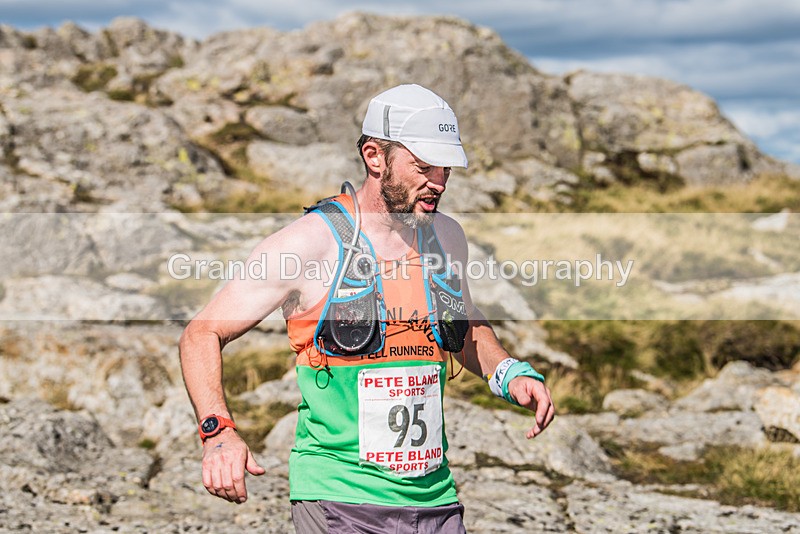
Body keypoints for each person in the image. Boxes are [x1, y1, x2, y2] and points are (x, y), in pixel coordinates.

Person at [179, 84, 555, 533]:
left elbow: (465, 326)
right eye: (423, 165)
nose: (439, 181)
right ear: (374, 157)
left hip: (436, 498)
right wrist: (218, 433)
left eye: (446, 167)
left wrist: (507, 371)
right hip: (339, 499)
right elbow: (201, 334)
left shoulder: (447, 237)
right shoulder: (309, 243)